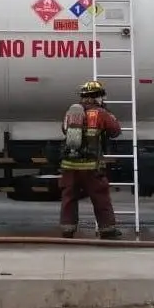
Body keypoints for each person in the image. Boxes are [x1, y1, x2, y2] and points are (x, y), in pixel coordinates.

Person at [59, 80, 122, 239]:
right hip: (91, 166)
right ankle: (107, 230)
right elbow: (115, 131)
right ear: (98, 97)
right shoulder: (100, 113)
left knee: (69, 197)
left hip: (69, 165)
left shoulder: (70, 113)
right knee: (100, 197)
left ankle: (67, 229)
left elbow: (64, 130)